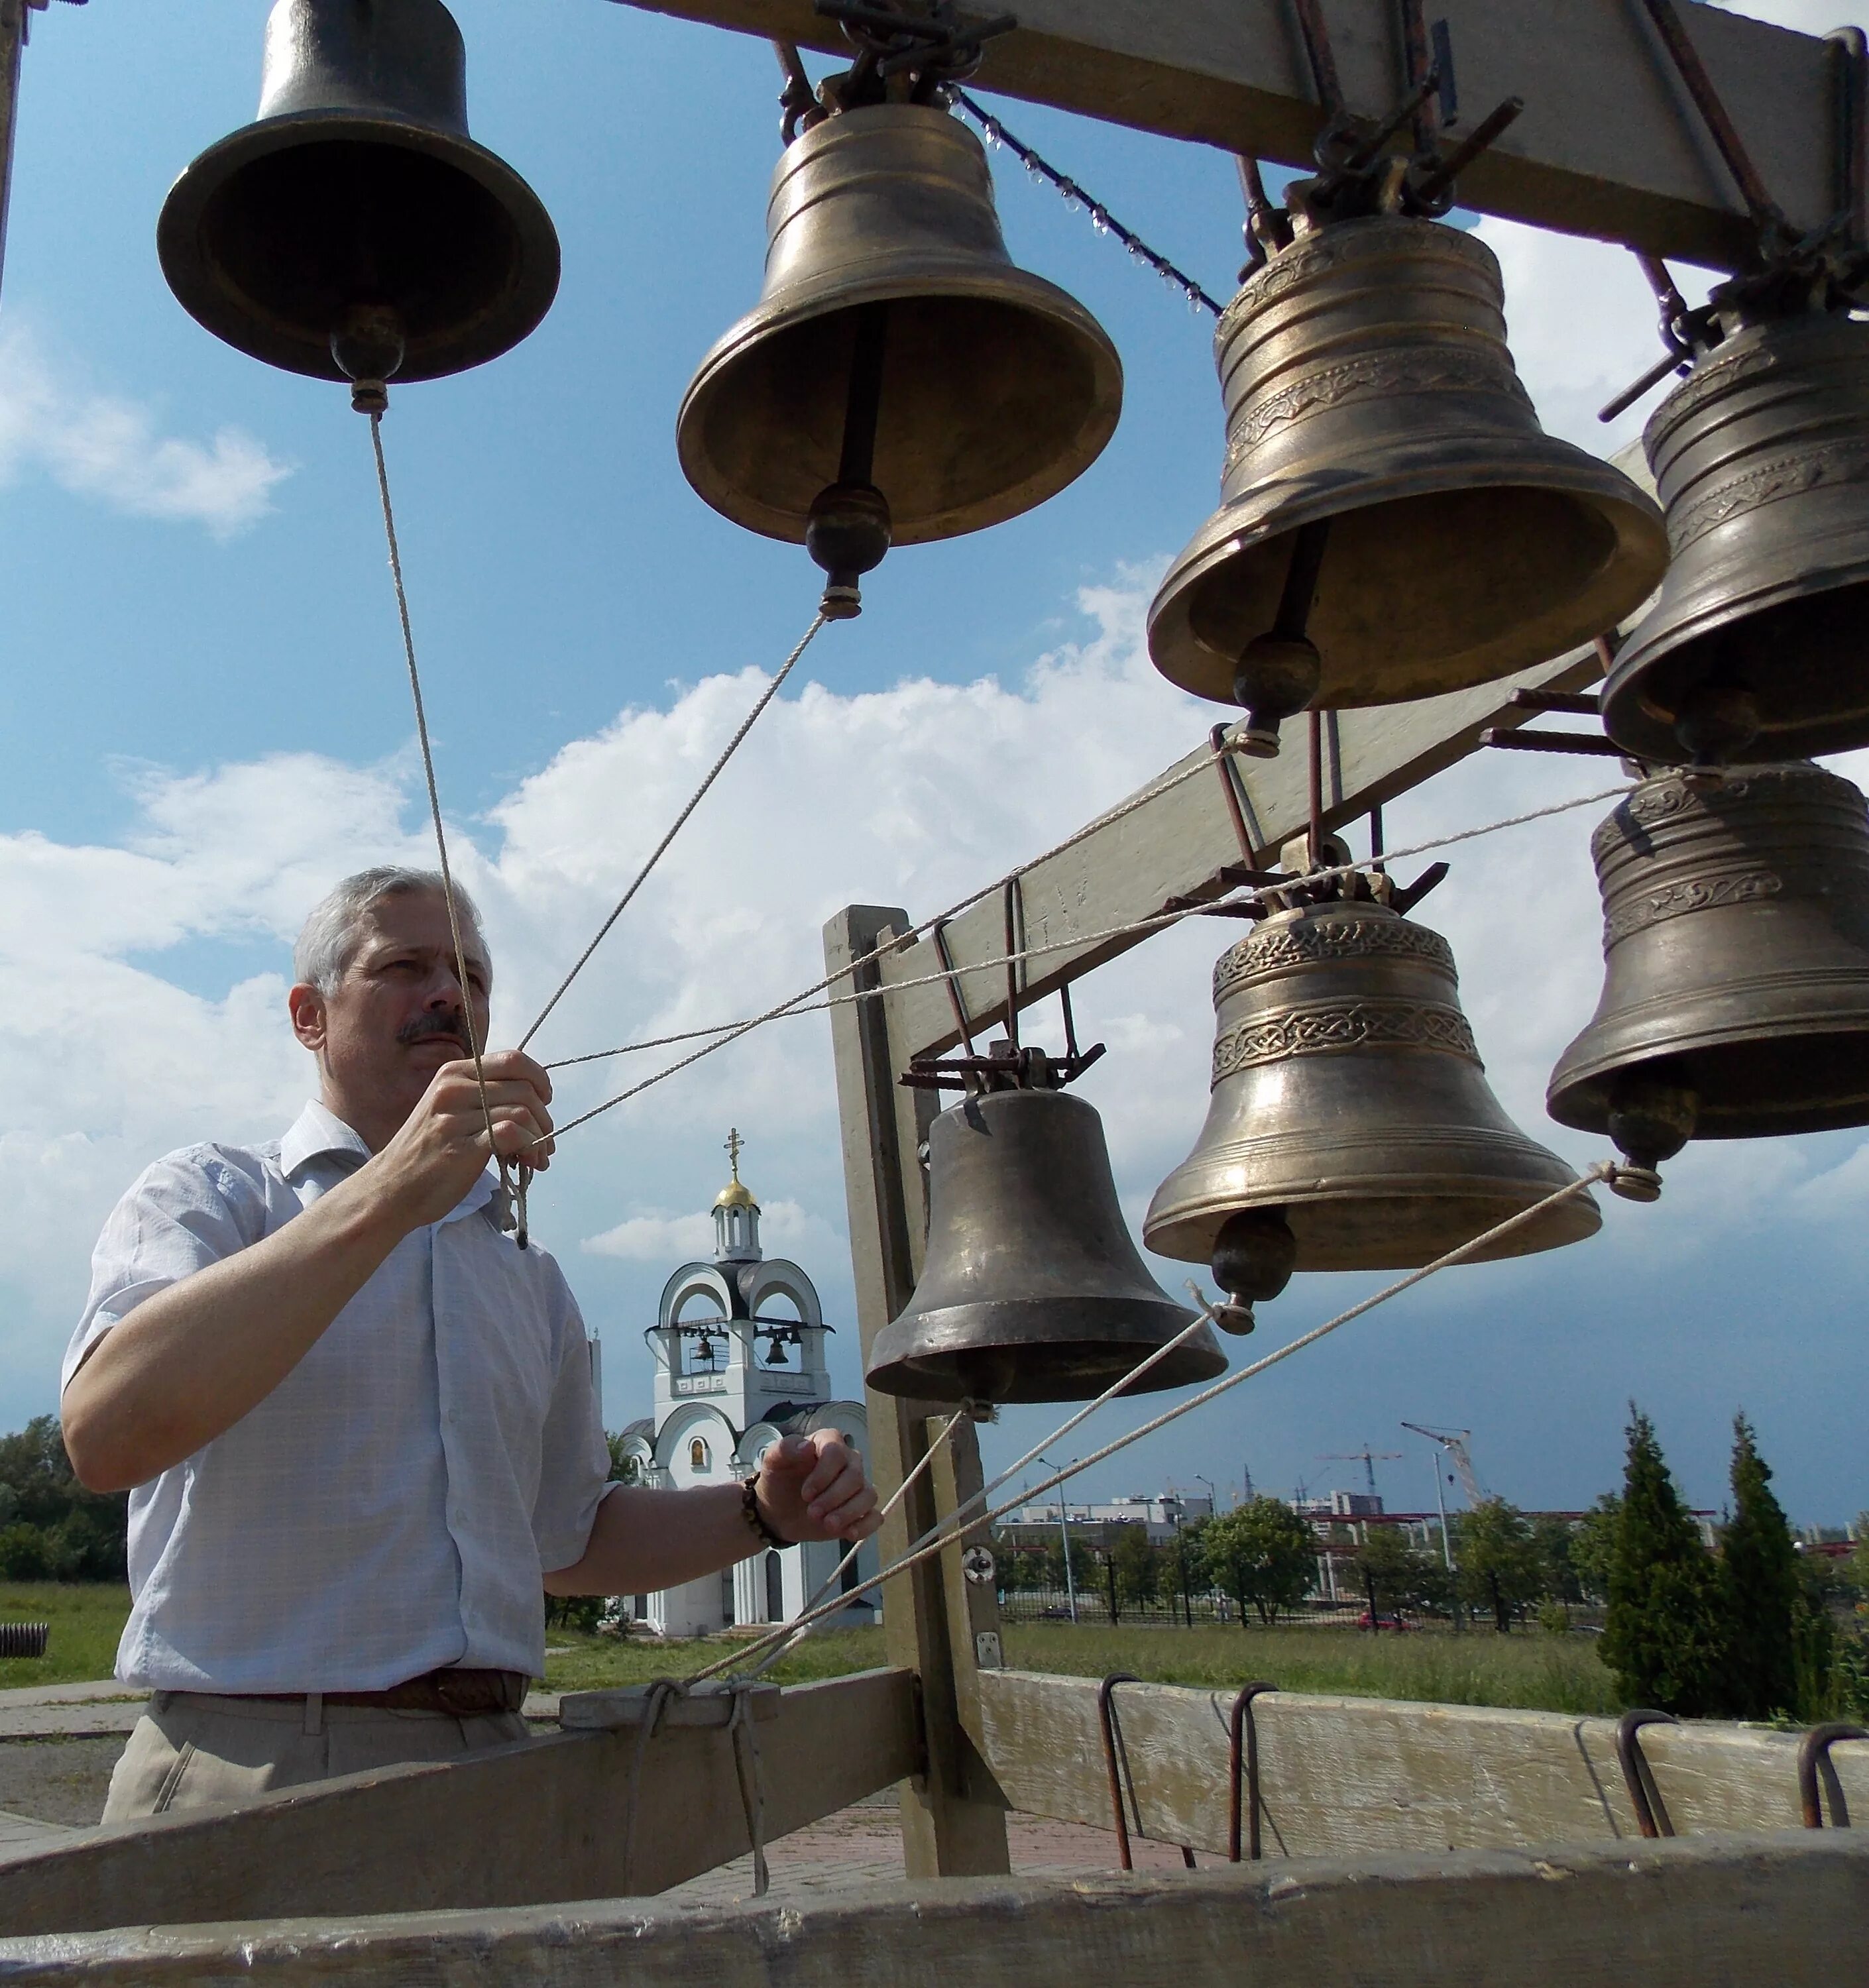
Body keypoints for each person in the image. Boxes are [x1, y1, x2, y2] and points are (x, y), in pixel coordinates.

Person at [61, 866, 879, 1822]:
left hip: (495, 1763)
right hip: (247, 1761)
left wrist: (757, 1511)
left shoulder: (525, 1275)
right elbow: (107, 1433)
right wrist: (394, 1190)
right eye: (404, 966)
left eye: (473, 978)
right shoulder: (212, 1198)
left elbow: (566, 1539)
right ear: (308, 1017)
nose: (450, 995)